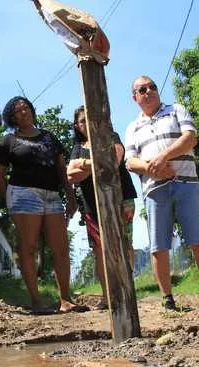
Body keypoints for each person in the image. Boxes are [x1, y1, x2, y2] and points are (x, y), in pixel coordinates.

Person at [124, 75, 199, 310]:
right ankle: (168, 301)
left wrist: (162, 157)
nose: (148, 91)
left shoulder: (176, 110)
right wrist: (156, 170)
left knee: (198, 240)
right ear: (135, 98)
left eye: (152, 87)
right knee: (159, 246)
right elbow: (130, 162)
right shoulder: (133, 127)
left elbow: (190, 139)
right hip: (154, 190)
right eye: (142, 89)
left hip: (187, 183)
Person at [0, 96, 84, 314]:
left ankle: (65, 300)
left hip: (52, 195)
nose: (23, 112)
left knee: (60, 248)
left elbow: (62, 169)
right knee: (29, 246)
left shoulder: (49, 137)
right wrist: (8, 200)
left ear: (32, 110)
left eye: (25, 108)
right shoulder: (8, 140)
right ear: (12, 117)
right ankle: (37, 302)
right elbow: (0, 172)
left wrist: (70, 196)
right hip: (23, 195)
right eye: (17, 111)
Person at [66, 105, 137, 308]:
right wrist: (97, 163)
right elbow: (70, 176)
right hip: (91, 205)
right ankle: (108, 297)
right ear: (77, 126)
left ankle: (127, 290)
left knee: (124, 244)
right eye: (82, 121)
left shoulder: (111, 136)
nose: (86, 123)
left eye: (90, 118)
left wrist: (85, 165)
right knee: (99, 250)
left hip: (122, 198)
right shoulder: (77, 148)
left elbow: (114, 159)